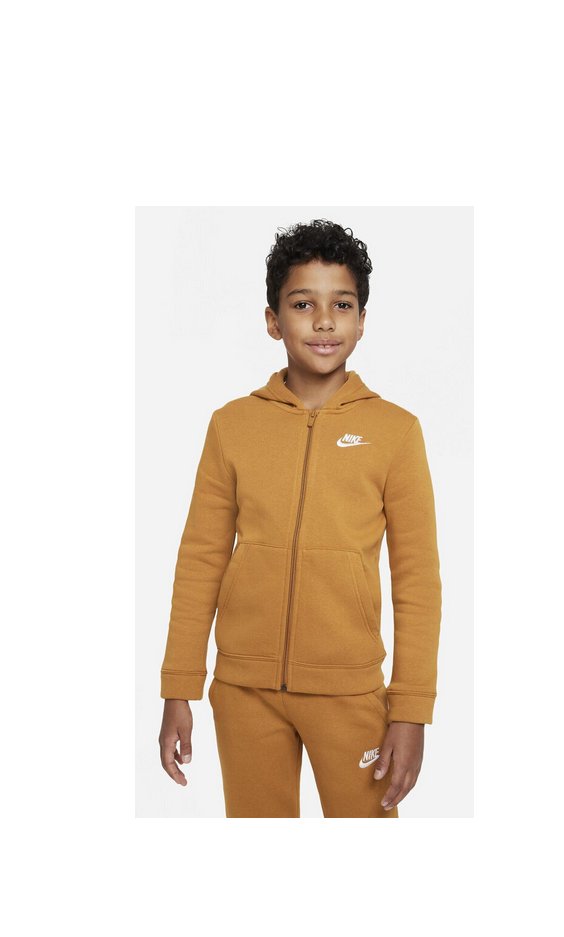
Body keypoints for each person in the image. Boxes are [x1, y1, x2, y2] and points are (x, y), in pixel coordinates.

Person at [157, 218, 442, 817]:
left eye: (342, 305)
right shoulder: (232, 426)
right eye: (303, 304)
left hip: (350, 692)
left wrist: (411, 708)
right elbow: (201, 558)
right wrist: (179, 686)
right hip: (244, 691)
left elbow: (417, 579)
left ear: (362, 320)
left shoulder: (395, 432)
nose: (324, 321)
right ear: (273, 320)